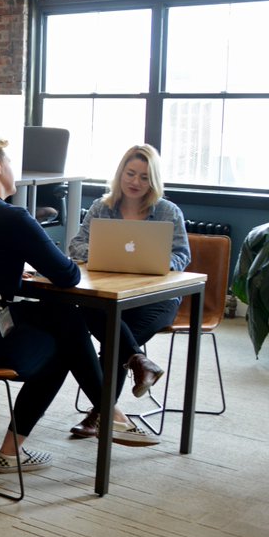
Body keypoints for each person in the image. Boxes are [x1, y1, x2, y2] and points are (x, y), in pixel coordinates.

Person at [0, 133, 131, 475]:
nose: (12, 168)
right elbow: (67, 275)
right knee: (63, 345)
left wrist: (10, 269)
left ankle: (109, 412)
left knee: (62, 316)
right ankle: (100, 416)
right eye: (8, 161)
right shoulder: (13, 217)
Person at [66, 144, 190, 441]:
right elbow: (76, 245)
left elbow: (182, 255)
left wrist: (155, 261)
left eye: (144, 177)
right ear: (120, 173)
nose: (135, 182)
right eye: (130, 173)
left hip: (155, 298)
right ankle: (139, 363)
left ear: (153, 181)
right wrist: (105, 255)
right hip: (108, 293)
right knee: (89, 312)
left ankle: (100, 413)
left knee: (116, 337)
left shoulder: (168, 211)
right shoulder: (102, 207)